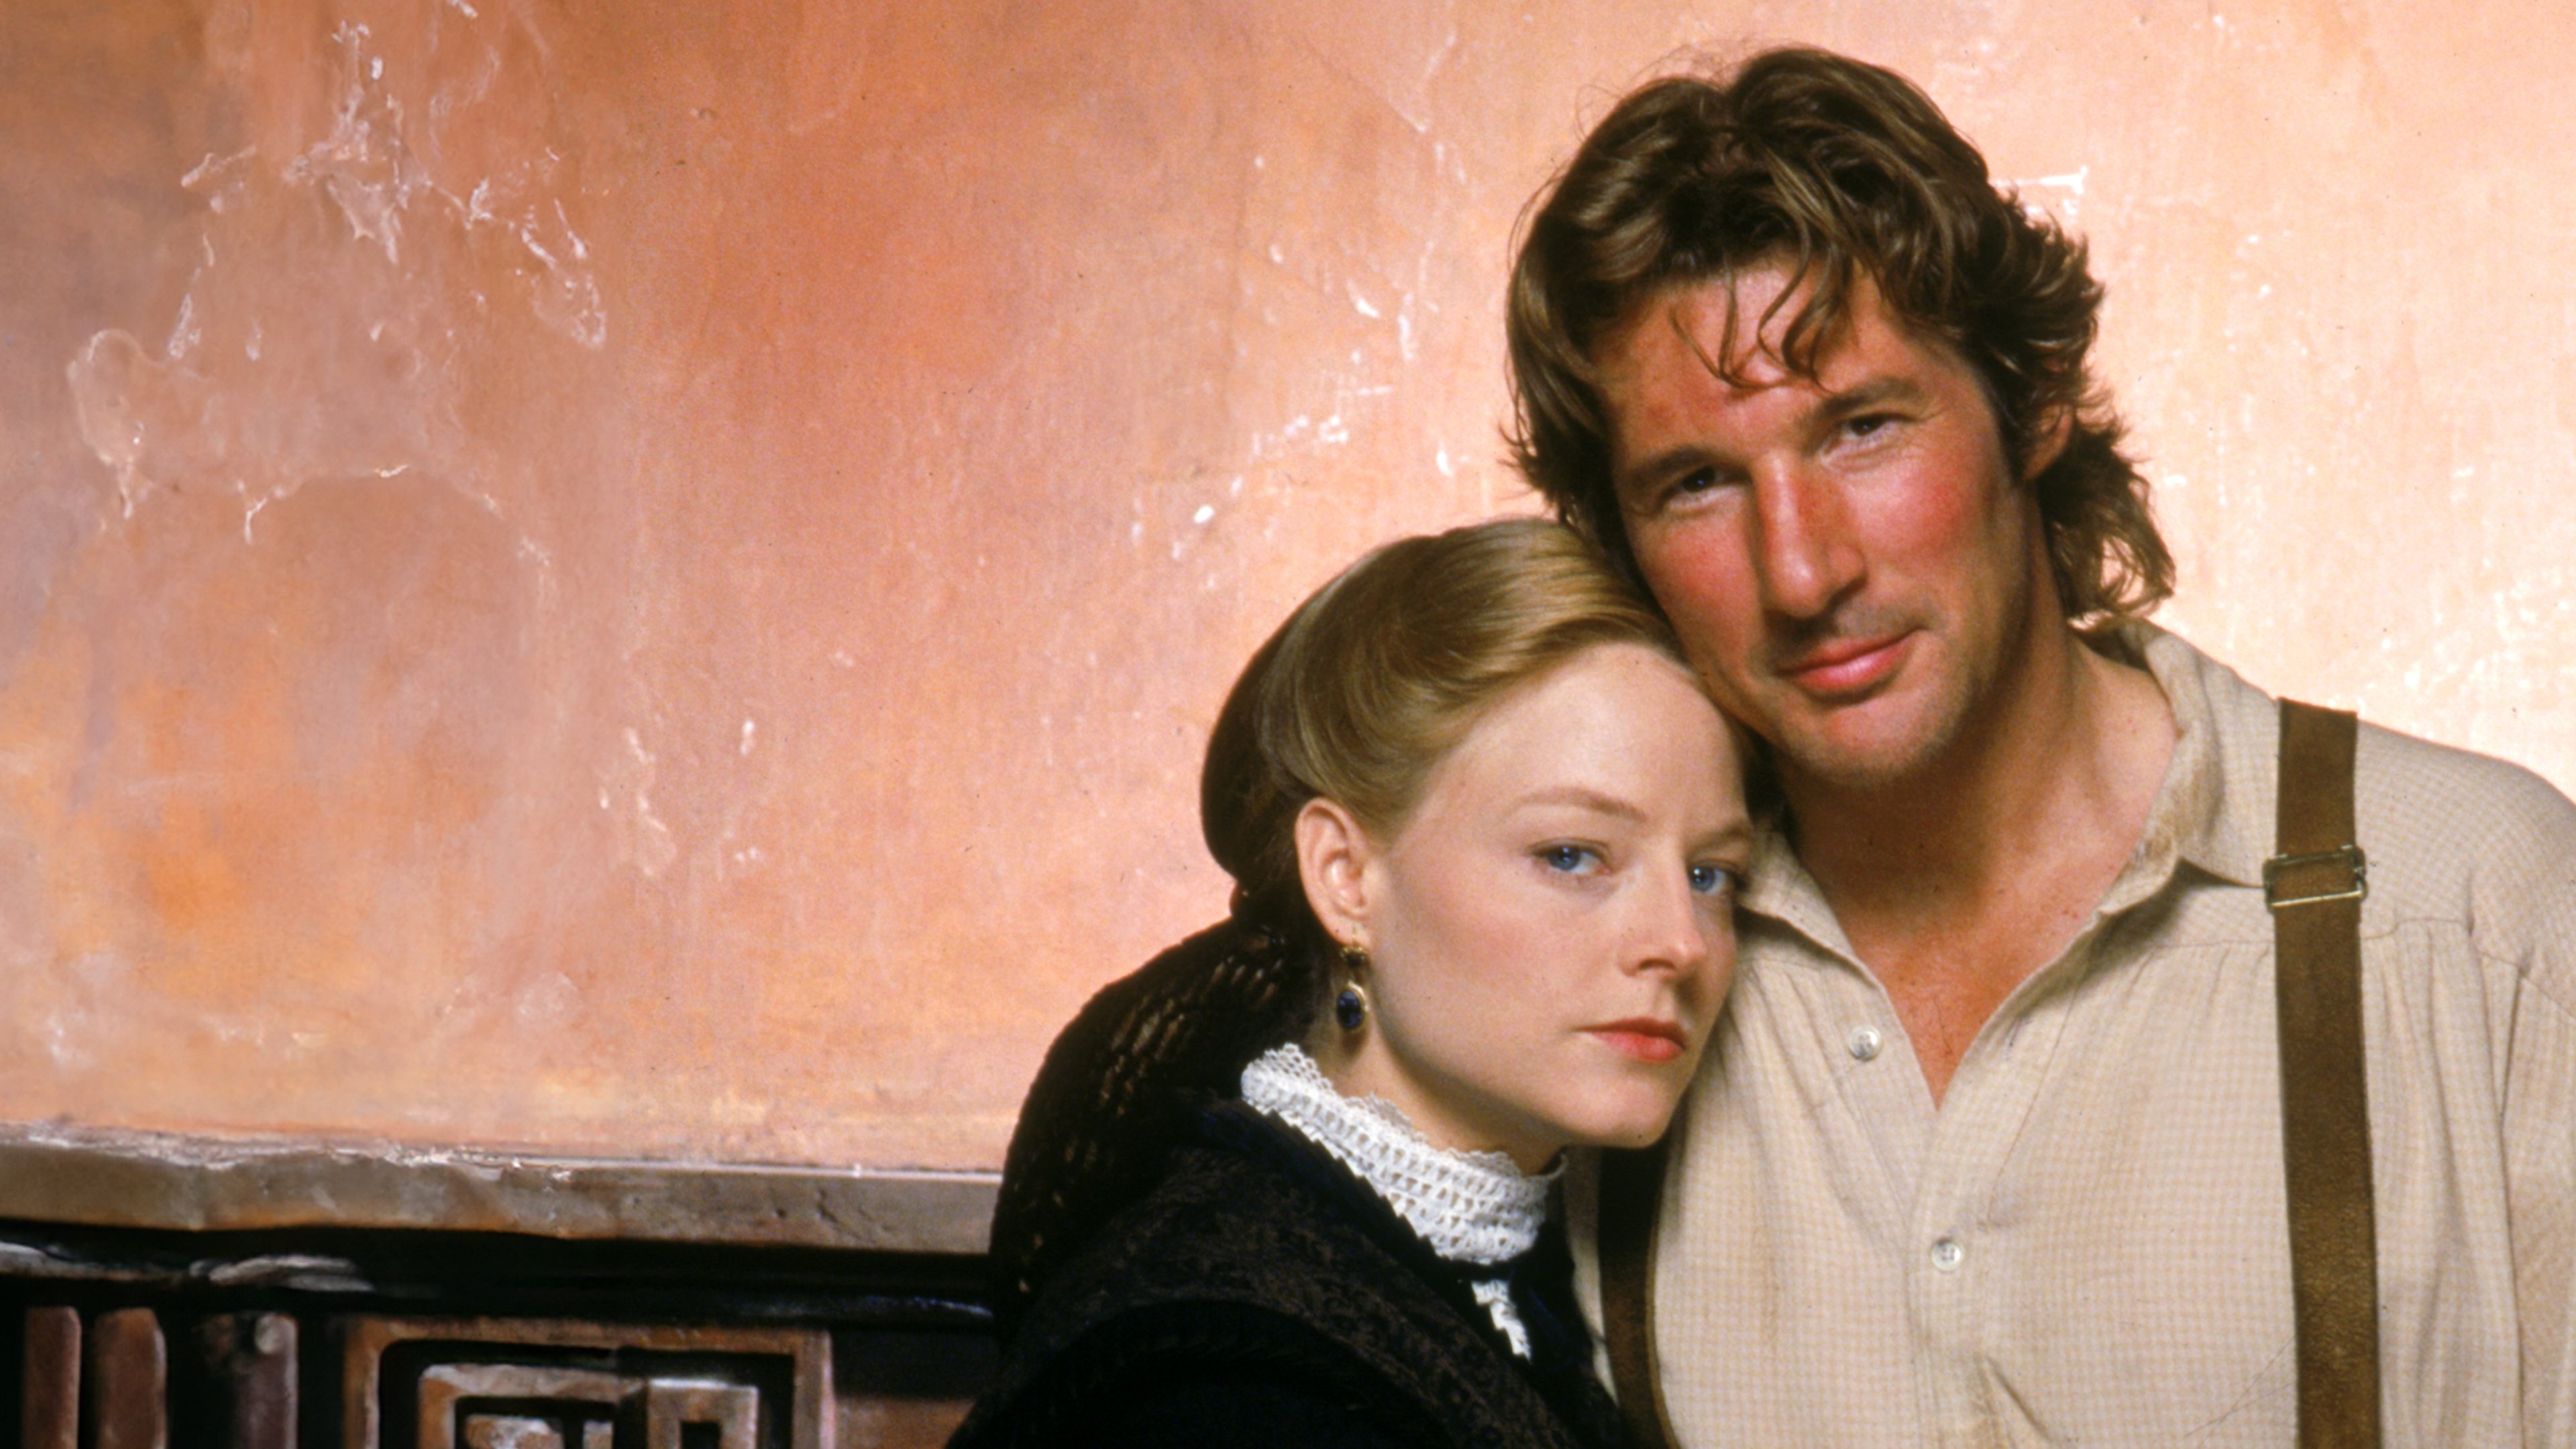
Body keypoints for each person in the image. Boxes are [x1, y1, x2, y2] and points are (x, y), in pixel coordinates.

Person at [1506, 46, 2576, 1446]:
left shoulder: (2474, 914)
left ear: (2033, 406)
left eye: (1863, 430)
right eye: (1698, 482)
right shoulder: (1591, 983)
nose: (1801, 570)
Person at [951, 518, 1754, 1449]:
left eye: (1712, 874)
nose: (1681, 942)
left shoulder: (1482, 1290)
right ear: (1344, 878)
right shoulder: (1226, 1382)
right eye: (1572, 855)